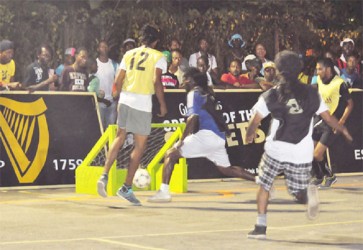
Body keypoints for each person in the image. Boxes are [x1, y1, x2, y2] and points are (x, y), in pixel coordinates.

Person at [245, 50, 352, 239]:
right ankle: (307, 196)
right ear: (298, 69)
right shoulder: (312, 93)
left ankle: (260, 227)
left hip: (276, 149)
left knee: (264, 185)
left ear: (278, 70)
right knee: (297, 192)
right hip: (301, 151)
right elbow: (328, 118)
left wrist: (250, 134)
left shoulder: (271, 95)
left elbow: (255, 120)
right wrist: (342, 129)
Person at [147, 67, 257, 203]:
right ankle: (262, 181)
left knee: (171, 154)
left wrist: (182, 140)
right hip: (218, 137)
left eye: (185, 80)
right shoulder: (205, 93)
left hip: (208, 136)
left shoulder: (193, 94)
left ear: (191, 80)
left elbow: (192, 118)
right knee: (227, 169)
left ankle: (164, 193)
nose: (183, 83)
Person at [97, 24, 168, 205]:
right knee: (139, 146)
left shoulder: (129, 54)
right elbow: (156, 81)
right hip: (142, 102)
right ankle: (126, 187)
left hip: (125, 100)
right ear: (156, 41)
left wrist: (117, 93)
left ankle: (104, 175)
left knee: (119, 137)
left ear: (141, 39)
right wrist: (162, 104)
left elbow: (118, 79)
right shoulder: (158, 57)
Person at [310, 58, 354, 188]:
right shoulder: (318, 80)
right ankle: (318, 177)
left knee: (317, 154)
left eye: (319, 69)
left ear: (328, 69)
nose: (317, 72)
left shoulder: (340, 83)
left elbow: (350, 104)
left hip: (332, 123)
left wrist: (341, 122)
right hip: (319, 119)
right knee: (309, 151)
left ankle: (330, 177)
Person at [95, 40, 118, 130]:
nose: (104, 48)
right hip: (99, 102)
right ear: (98, 49)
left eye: (106, 47)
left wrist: (117, 92)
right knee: (100, 129)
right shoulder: (94, 64)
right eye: (101, 46)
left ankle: (110, 145)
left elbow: (119, 80)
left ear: (108, 49)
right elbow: (90, 83)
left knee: (111, 130)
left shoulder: (115, 65)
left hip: (112, 102)